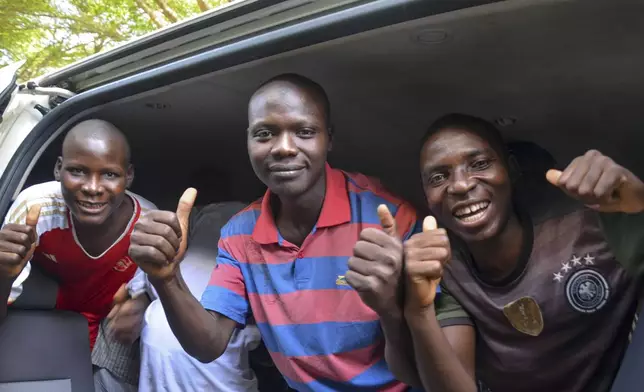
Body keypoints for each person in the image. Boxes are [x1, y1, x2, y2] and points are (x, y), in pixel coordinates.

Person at [128, 74, 469, 391]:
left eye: (304, 132)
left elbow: (426, 358)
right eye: (265, 134)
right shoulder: (238, 235)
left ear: (328, 139)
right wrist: (166, 279)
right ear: (248, 140)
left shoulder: (389, 218)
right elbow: (209, 344)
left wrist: (392, 305)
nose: (283, 147)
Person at [399, 113, 644, 392]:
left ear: (511, 169)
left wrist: (639, 203)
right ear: (426, 195)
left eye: (479, 164)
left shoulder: (590, 222)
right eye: (439, 177)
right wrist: (416, 311)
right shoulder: (443, 268)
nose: (461, 185)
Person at [0, 119, 156, 391]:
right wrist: (3, 274)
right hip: (50, 296)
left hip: (110, 314)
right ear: (58, 169)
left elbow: (147, 291)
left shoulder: (148, 222)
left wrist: (141, 302)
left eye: (109, 174)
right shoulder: (35, 207)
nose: (93, 187)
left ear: (128, 176)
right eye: (78, 171)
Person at [109, 202, 285, 392]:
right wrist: (140, 298)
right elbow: (160, 258)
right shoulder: (206, 217)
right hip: (166, 358)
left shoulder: (264, 227)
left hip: (214, 366)